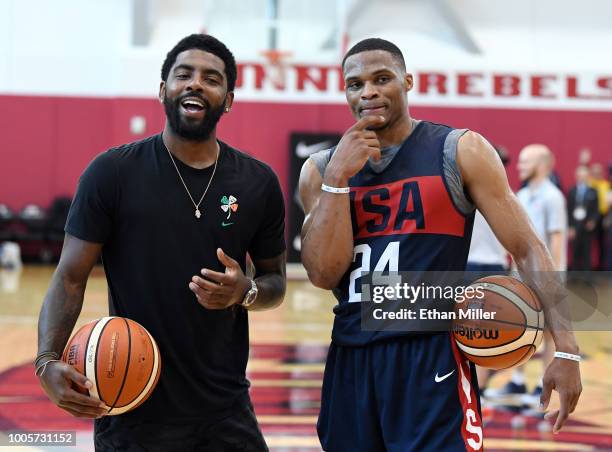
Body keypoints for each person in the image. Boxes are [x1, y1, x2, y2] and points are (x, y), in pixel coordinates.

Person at [299, 38, 581, 451]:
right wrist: (338, 180)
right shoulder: (320, 170)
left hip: (431, 354)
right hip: (351, 355)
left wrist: (567, 350)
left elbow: (527, 247)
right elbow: (323, 274)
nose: (368, 92)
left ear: (408, 81)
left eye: (382, 79)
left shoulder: (459, 150)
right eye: (355, 84)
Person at [35, 34, 286, 451]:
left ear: (228, 100)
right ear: (162, 90)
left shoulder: (258, 183)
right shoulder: (111, 173)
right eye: (183, 74)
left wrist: (247, 291)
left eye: (211, 78)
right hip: (130, 401)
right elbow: (70, 277)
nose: (195, 84)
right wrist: (46, 361)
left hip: (225, 408)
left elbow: (275, 281)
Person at [485, 144, 567, 409]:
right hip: (521, 274)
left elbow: (556, 239)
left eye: (525, 161)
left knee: (548, 333)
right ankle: (518, 381)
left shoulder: (553, 197)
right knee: (522, 329)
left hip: (545, 276)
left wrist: (552, 278)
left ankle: (542, 388)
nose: (518, 165)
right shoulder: (520, 194)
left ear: (543, 164)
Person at [568, 166, 599, 271]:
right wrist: (570, 227)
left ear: (588, 177)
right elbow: (568, 210)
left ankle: (587, 278)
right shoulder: (571, 191)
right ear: (576, 177)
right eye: (580, 176)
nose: (582, 178)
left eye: (585, 176)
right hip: (575, 227)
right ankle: (576, 279)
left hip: (587, 227)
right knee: (575, 253)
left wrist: (593, 221)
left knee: (587, 254)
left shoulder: (593, 191)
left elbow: (596, 210)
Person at [589, 163, 610, 270]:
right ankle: (587, 267)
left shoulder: (606, 185)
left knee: (602, 243)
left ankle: (601, 267)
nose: (597, 174)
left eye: (599, 172)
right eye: (595, 172)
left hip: (603, 217)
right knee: (587, 243)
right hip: (590, 217)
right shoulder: (589, 184)